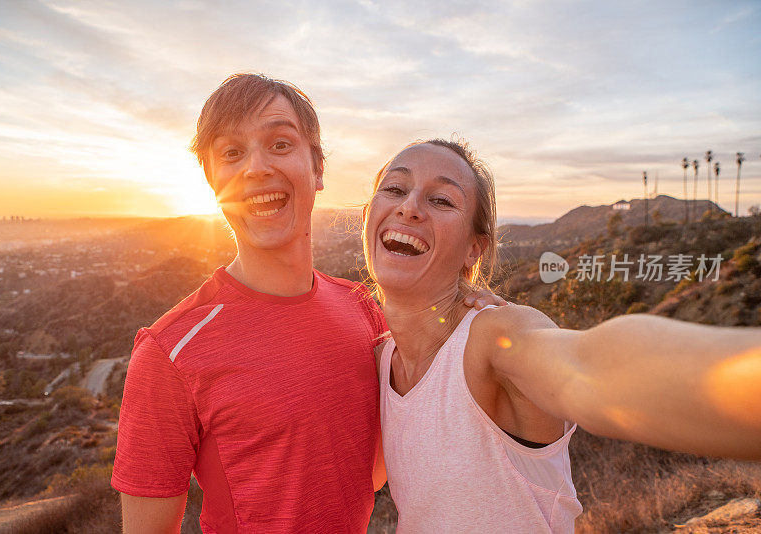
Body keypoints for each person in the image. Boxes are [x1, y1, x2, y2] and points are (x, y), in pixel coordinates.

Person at [111, 75, 501, 534]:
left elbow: (369, 471)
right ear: (212, 181)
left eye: (279, 143)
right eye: (231, 153)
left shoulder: (363, 311)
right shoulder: (169, 351)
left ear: (317, 168)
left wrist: (466, 311)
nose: (255, 167)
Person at [362, 138, 761, 532]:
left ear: (473, 250)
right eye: (395, 189)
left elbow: (589, 365)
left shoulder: (494, 335)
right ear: (368, 215)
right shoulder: (382, 361)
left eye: (442, 200)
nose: (409, 207)